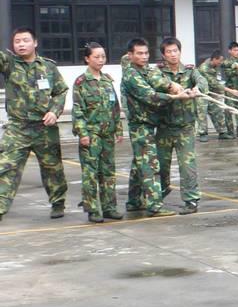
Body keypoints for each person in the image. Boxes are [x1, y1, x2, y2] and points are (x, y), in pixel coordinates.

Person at [0, 27, 69, 222]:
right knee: (6, 166)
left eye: (25, 40)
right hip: (18, 128)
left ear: (35, 43)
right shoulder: (9, 63)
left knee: (52, 168)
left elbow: (60, 91)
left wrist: (54, 112)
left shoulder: (48, 67)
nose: (21, 44)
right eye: (17, 41)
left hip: (44, 128)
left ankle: (58, 202)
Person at [122, 38, 192, 218]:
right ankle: (154, 206)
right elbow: (150, 96)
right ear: (130, 55)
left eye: (146, 53)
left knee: (139, 164)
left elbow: (158, 79)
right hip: (140, 126)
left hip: (149, 123)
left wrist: (172, 85)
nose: (144, 57)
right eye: (139, 53)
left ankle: (134, 201)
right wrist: (175, 97)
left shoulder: (146, 70)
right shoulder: (131, 74)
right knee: (150, 165)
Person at [72, 43, 123, 224]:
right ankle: (93, 209)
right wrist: (82, 133)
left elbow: (115, 106)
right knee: (91, 174)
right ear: (87, 58)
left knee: (108, 172)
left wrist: (118, 128)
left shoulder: (107, 80)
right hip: (91, 135)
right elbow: (78, 111)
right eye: (96, 57)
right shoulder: (81, 82)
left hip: (107, 134)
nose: (101, 60)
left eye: (103, 56)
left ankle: (109, 207)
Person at [156, 37, 205, 215]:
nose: (173, 55)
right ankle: (158, 196)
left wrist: (197, 89)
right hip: (164, 127)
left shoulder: (190, 71)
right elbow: (154, 91)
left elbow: (202, 82)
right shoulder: (159, 74)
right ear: (164, 55)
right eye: (168, 52)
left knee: (187, 165)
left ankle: (191, 200)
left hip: (185, 127)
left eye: (175, 51)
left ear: (180, 51)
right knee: (161, 165)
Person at [198, 50, 237, 141]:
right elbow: (214, 83)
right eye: (219, 60)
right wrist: (230, 90)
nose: (221, 63)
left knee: (217, 111)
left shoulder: (215, 64)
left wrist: (236, 66)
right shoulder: (204, 68)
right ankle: (203, 134)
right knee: (202, 113)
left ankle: (222, 132)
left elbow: (226, 63)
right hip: (201, 93)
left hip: (211, 92)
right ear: (214, 59)